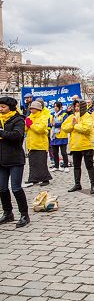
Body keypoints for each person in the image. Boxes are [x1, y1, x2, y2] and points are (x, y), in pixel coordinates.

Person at [0, 97, 30, 228]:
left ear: (10, 107)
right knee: (2, 188)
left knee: (16, 188)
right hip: (1, 159)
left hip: (15, 158)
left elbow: (17, 135)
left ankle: (24, 214)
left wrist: (1, 132)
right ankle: (8, 213)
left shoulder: (18, 119)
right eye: (0, 106)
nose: (0, 109)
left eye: (3, 107)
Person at [62, 100, 94, 194]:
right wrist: (72, 124)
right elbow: (64, 128)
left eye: (78, 106)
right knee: (76, 166)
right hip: (75, 146)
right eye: (75, 106)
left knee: (89, 166)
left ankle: (93, 185)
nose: (77, 108)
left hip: (86, 145)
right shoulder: (72, 116)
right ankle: (77, 184)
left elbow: (86, 129)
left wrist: (75, 125)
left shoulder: (88, 116)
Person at [24, 101, 52, 187]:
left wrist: (31, 125)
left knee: (41, 162)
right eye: (31, 108)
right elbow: (25, 129)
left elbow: (40, 129)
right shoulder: (29, 117)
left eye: (33, 108)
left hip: (40, 144)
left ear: (38, 109)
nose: (31, 110)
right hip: (31, 144)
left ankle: (45, 179)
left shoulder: (43, 117)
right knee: (32, 162)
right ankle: (33, 179)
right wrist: (27, 124)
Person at [49, 102, 69, 172]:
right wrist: (51, 124)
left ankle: (66, 165)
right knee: (55, 152)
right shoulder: (52, 114)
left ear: (60, 107)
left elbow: (64, 123)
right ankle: (56, 165)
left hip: (62, 135)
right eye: (54, 106)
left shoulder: (64, 114)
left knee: (63, 152)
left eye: (56, 107)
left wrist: (56, 124)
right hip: (54, 136)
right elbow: (49, 123)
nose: (55, 108)